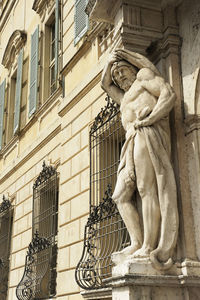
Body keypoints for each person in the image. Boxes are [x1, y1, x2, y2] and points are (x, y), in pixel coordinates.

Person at [101, 49, 179, 270]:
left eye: (123, 72)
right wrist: (110, 63)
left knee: (146, 190)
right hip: (131, 141)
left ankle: (148, 245)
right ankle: (136, 242)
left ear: (133, 68)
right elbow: (105, 85)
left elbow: (168, 94)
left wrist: (151, 118)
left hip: (146, 134)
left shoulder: (144, 77)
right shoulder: (123, 97)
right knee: (120, 196)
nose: (120, 78)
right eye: (117, 76)